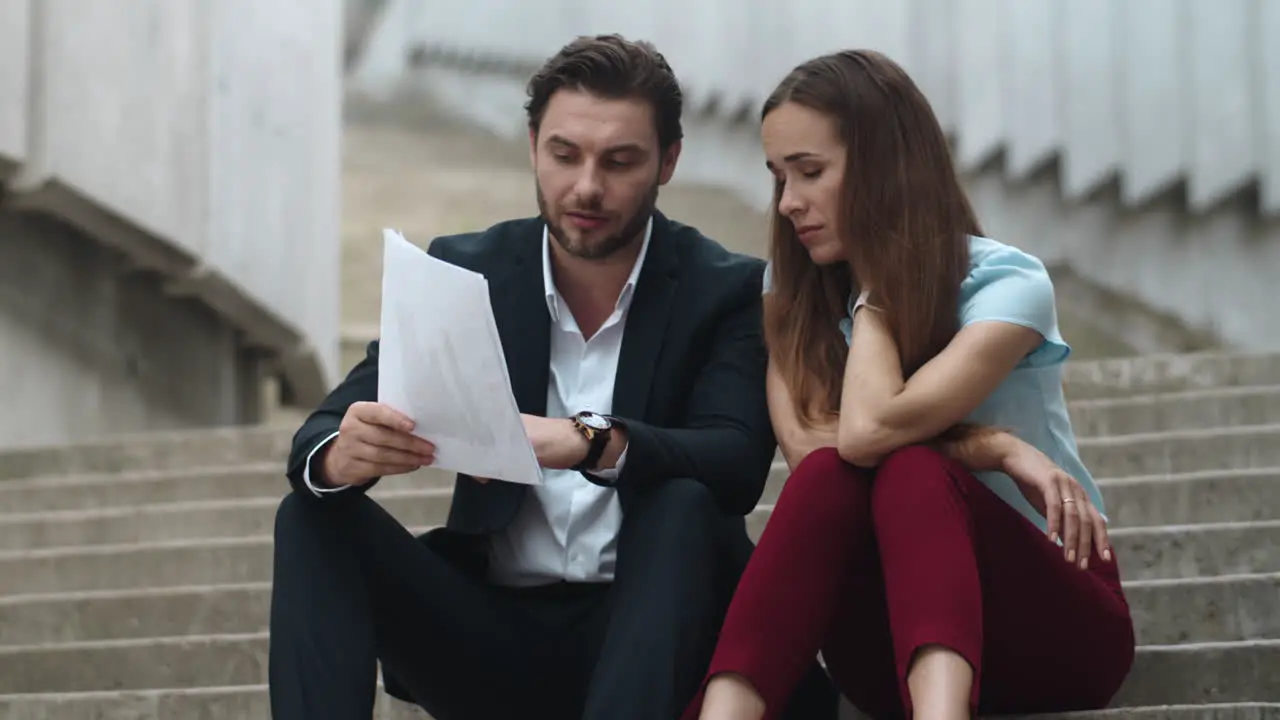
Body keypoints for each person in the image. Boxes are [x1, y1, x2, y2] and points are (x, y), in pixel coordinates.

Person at [267, 34, 841, 720]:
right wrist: (340, 455)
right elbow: (323, 428)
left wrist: (586, 439)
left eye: (620, 161)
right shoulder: (466, 270)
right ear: (533, 142)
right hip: (490, 636)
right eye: (564, 155)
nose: (587, 186)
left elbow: (736, 459)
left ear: (669, 161)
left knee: (683, 503)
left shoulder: (726, 289)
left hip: (657, 632)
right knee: (311, 513)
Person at [684, 50, 1137, 720]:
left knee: (914, 470)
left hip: (1056, 622)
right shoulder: (790, 295)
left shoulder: (1006, 283)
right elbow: (821, 457)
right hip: (887, 649)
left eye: (810, 172)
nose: (787, 203)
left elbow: (869, 432)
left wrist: (878, 297)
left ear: (884, 166)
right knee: (847, 476)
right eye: (779, 176)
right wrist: (994, 447)